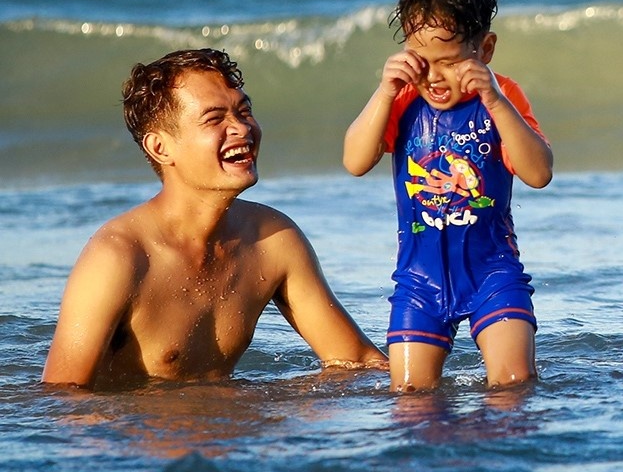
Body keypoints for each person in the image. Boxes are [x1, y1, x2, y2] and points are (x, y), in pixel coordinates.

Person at [43, 48, 387, 390]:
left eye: (244, 111)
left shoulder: (272, 240)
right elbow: (63, 399)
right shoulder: (119, 258)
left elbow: (355, 361)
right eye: (214, 118)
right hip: (140, 423)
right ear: (161, 148)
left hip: (228, 421)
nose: (241, 127)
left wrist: (414, 390)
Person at [343, 0, 552, 392]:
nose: (434, 77)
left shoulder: (503, 97)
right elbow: (355, 162)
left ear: (485, 50)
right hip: (419, 282)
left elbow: (538, 173)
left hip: (494, 275)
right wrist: (384, 92)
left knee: (513, 385)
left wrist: (495, 102)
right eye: (421, 59)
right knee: (410, 396)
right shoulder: (402, 98)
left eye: (451, 61)